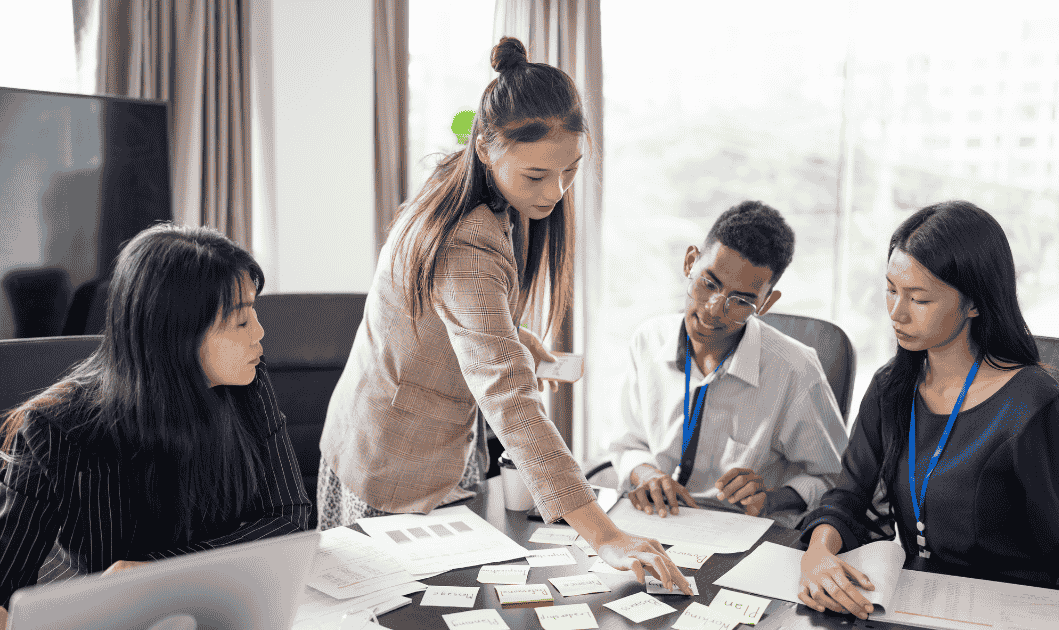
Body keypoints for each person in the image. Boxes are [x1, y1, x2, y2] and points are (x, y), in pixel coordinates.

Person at [317, 36, 690, 592]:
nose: (557, 192)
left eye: (571, 170)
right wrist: (604, 535)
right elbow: (510, 397)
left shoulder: (468, 179)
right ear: (487, 149)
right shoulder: (466, 239)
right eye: (538, 175)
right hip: (392, 462)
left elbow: (452, 308)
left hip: (434, 441)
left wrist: (510, 333)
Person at [797, 200, 1059, 629]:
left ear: (974, 303)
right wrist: (818, 554)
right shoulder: (890, 388)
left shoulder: (1033, 405)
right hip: (912, 610)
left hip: (1010, 616)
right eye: (892, 289)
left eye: (919, 299)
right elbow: (847, 499)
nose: (896, 312)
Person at [0, 223, 311, 627]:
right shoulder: (51, 430)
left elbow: (289, 517)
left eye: (254, 312)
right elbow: (5, 584)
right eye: (239, 322)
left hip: (223, 608)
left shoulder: (246, 381)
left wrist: (153, 571)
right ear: (176, 338)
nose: (260, 333)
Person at [607, 201, 848, 529]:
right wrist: (646, 474)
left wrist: (773, 498)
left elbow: (836, 477)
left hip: (743, 534)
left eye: (742, 300)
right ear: (690, 262)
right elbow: (628, 442)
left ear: (765, 303)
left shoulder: (795, 370)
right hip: (656, 519)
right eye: (709, 283)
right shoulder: (648, 339)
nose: (714, 309)